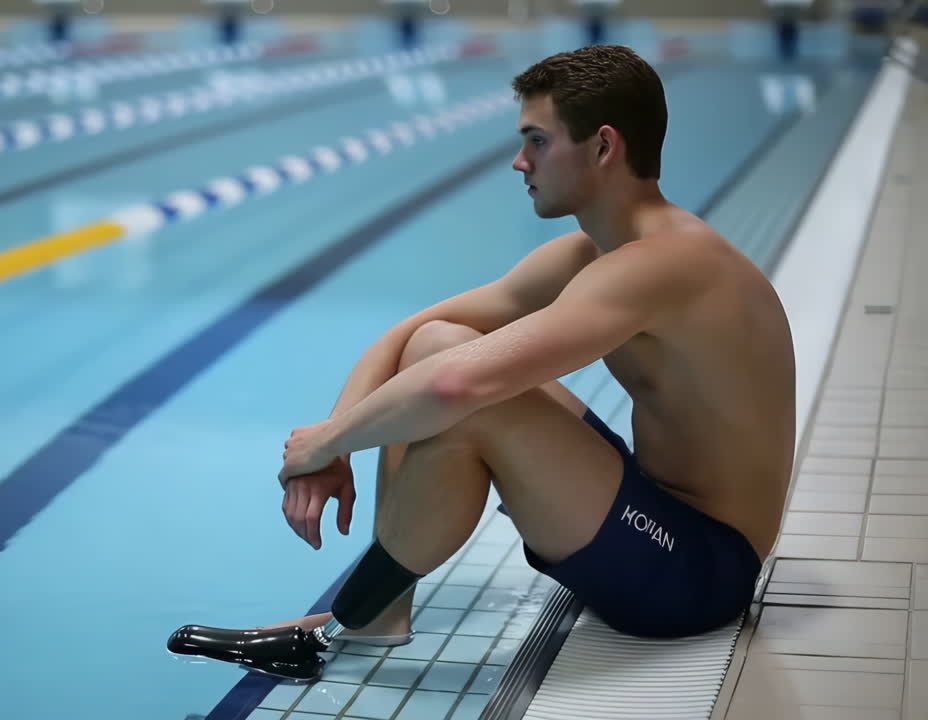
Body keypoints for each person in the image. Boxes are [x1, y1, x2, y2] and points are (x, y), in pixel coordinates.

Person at [169, 44, 796, 679]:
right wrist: (337, 446)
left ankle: (346, 627)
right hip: (650, 522)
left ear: (604, 147)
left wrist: (321, 443)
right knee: (436, 343)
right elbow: (406, 336)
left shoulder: (664, 265)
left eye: (538, 141)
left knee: (466, 397)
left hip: (698, 574)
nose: (519, 162)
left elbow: (455, 388)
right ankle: (381, 616)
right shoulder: (592, 255)